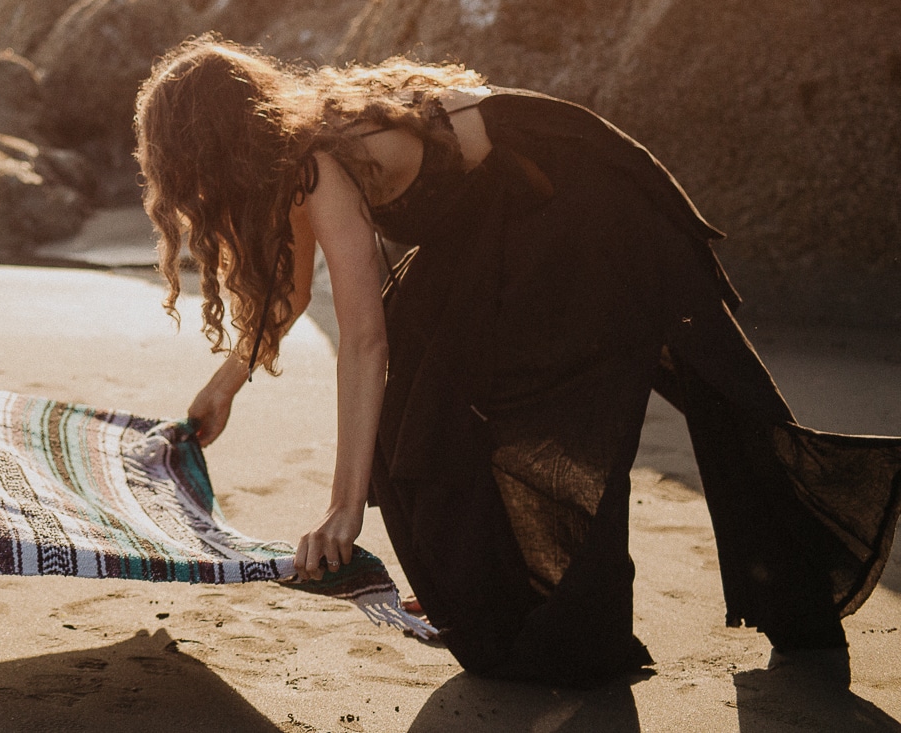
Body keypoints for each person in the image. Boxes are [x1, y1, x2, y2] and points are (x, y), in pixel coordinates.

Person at [133, 36, 901, 688]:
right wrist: (225, 382)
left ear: (219, 143)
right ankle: (486, 587)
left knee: (528, 403)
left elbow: (365, 340)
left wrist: (342, 505)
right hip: (497, 222)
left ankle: (558, 617)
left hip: (570, 193)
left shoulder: (315, 159)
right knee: (421, 404)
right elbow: (290, 296)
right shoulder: (287, 166)